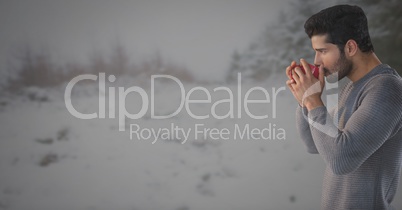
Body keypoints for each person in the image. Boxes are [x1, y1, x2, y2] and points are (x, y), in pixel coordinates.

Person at [285, 4, 402, 210]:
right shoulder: (352, 87)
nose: (317, 61)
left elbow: (341, 160)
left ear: (350, 47)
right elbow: (315, 144)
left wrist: (313, 101)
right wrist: (304, 100)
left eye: (322, 51)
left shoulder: (387, 88)